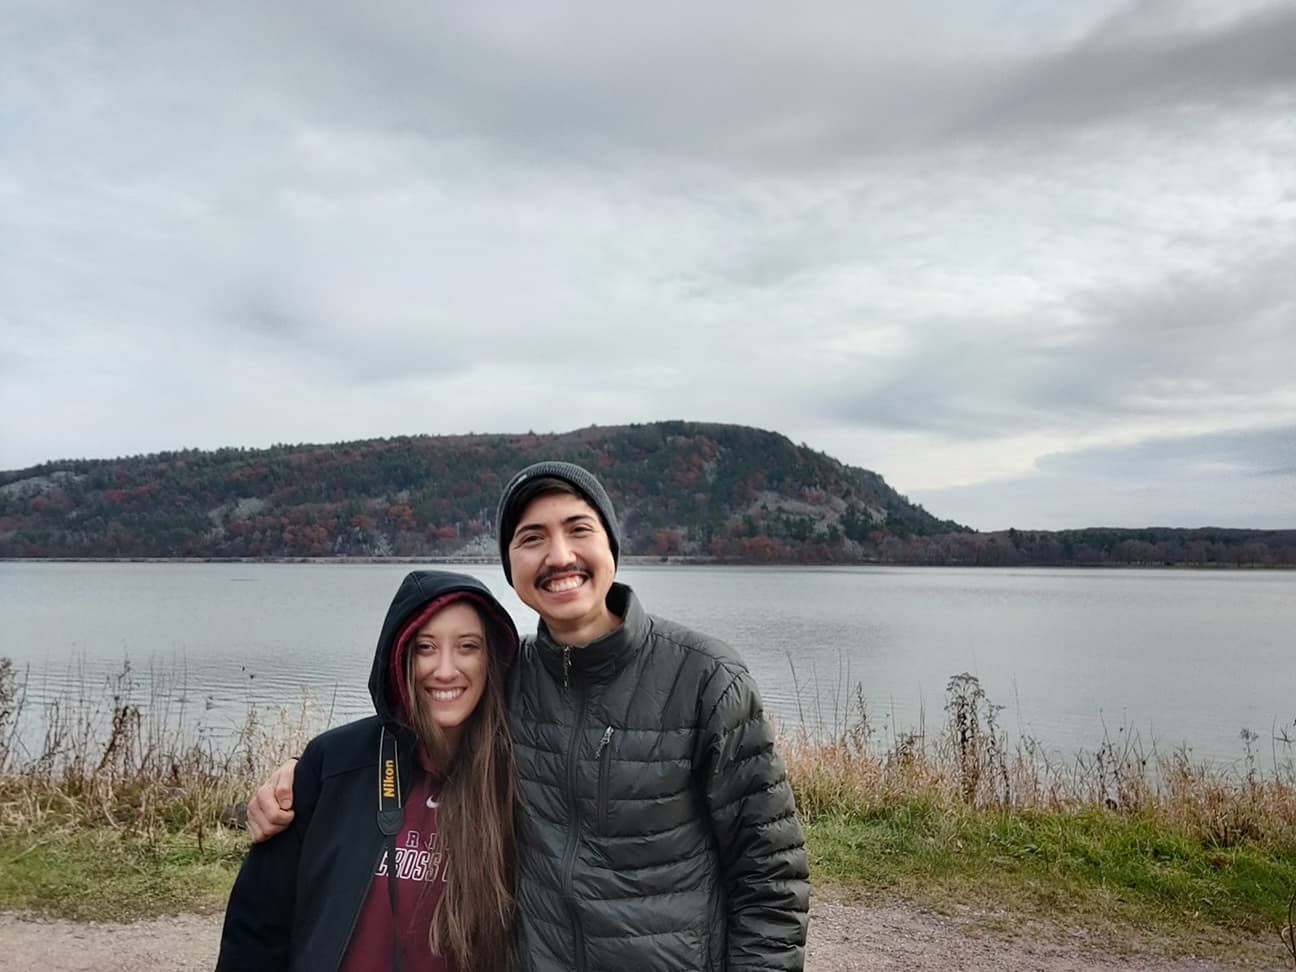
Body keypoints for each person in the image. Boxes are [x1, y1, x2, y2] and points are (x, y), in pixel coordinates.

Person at [248, 462, 810, 970]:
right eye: (532, 538)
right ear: (511, 565)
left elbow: (770, 880)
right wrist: (303, 775)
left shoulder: (705, 679)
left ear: (611, 544)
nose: (559, 556)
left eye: (578, 529)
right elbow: (418, 734)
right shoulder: (507, 682)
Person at [219, 569, 520, 971]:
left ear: (492, 659)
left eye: (467, 646)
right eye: (425, 648)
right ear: (400, 657)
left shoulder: (518, 778)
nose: (445, 669)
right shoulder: (334, 765)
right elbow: (257, 927)